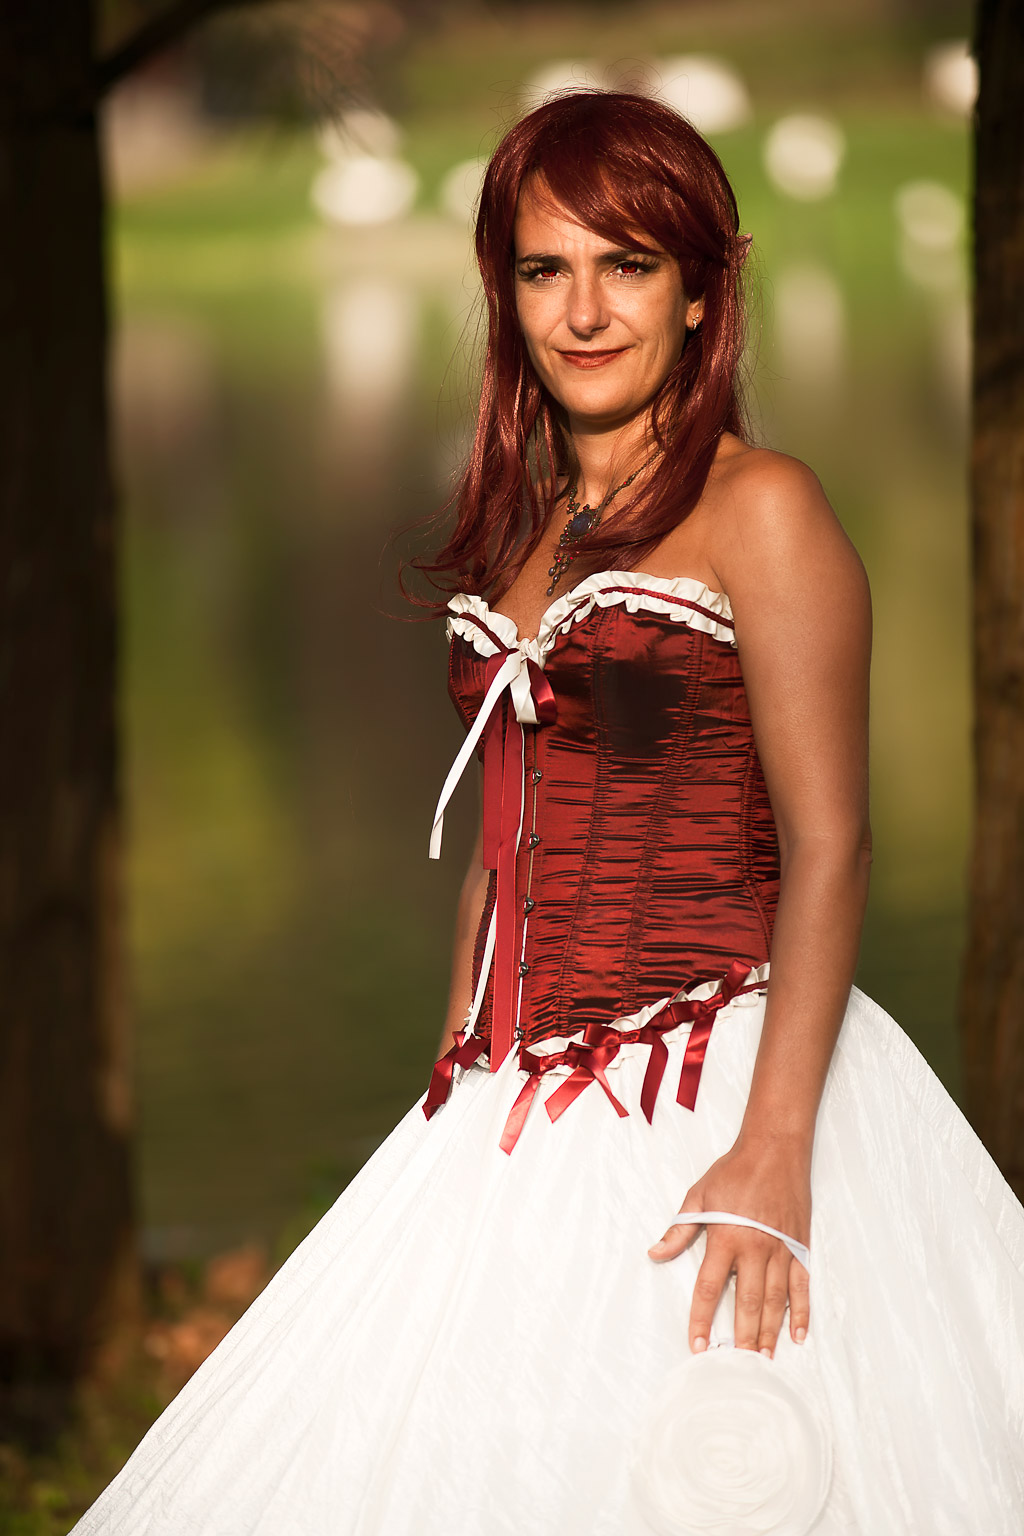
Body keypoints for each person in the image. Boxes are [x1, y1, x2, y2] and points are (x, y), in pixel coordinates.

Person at [70, 90, 1024, 1536]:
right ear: (503, 294)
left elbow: (833, 846)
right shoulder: (526, 531)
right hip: (510, 1092)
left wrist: (774, 1148)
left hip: (712, 1066)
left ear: (701, 292)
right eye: (543, 270)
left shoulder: (766, 509)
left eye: (627, 265)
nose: (583, 311)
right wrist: (456, 1076)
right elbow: (499, 847)